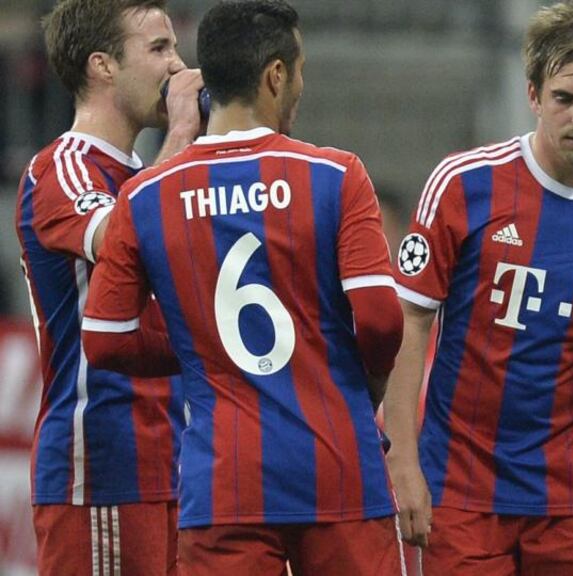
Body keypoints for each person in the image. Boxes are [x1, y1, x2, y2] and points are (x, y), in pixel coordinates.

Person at [79, 1, 406, 574]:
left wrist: (196, 346)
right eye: (299, 69)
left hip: (222, 484)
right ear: (275, 74)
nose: (300, 84)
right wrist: (368, 386)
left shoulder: (146, 195)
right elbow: (380, 319)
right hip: (338, 472)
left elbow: (105, 339)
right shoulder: (336, 175)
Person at [383, 2, 573, 574]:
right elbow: (411, 322)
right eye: (564, 98)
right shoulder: (463, 185)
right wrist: (402, 462)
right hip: (462, 484)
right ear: (533, 95)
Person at [15, 0, 203, 573]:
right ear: (103, 66)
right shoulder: (62, 168)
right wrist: (184, 135)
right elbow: (126, 237)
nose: (177, 67)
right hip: (101, 466)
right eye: (158, 49)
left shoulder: (144, 174)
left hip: (171, 461)